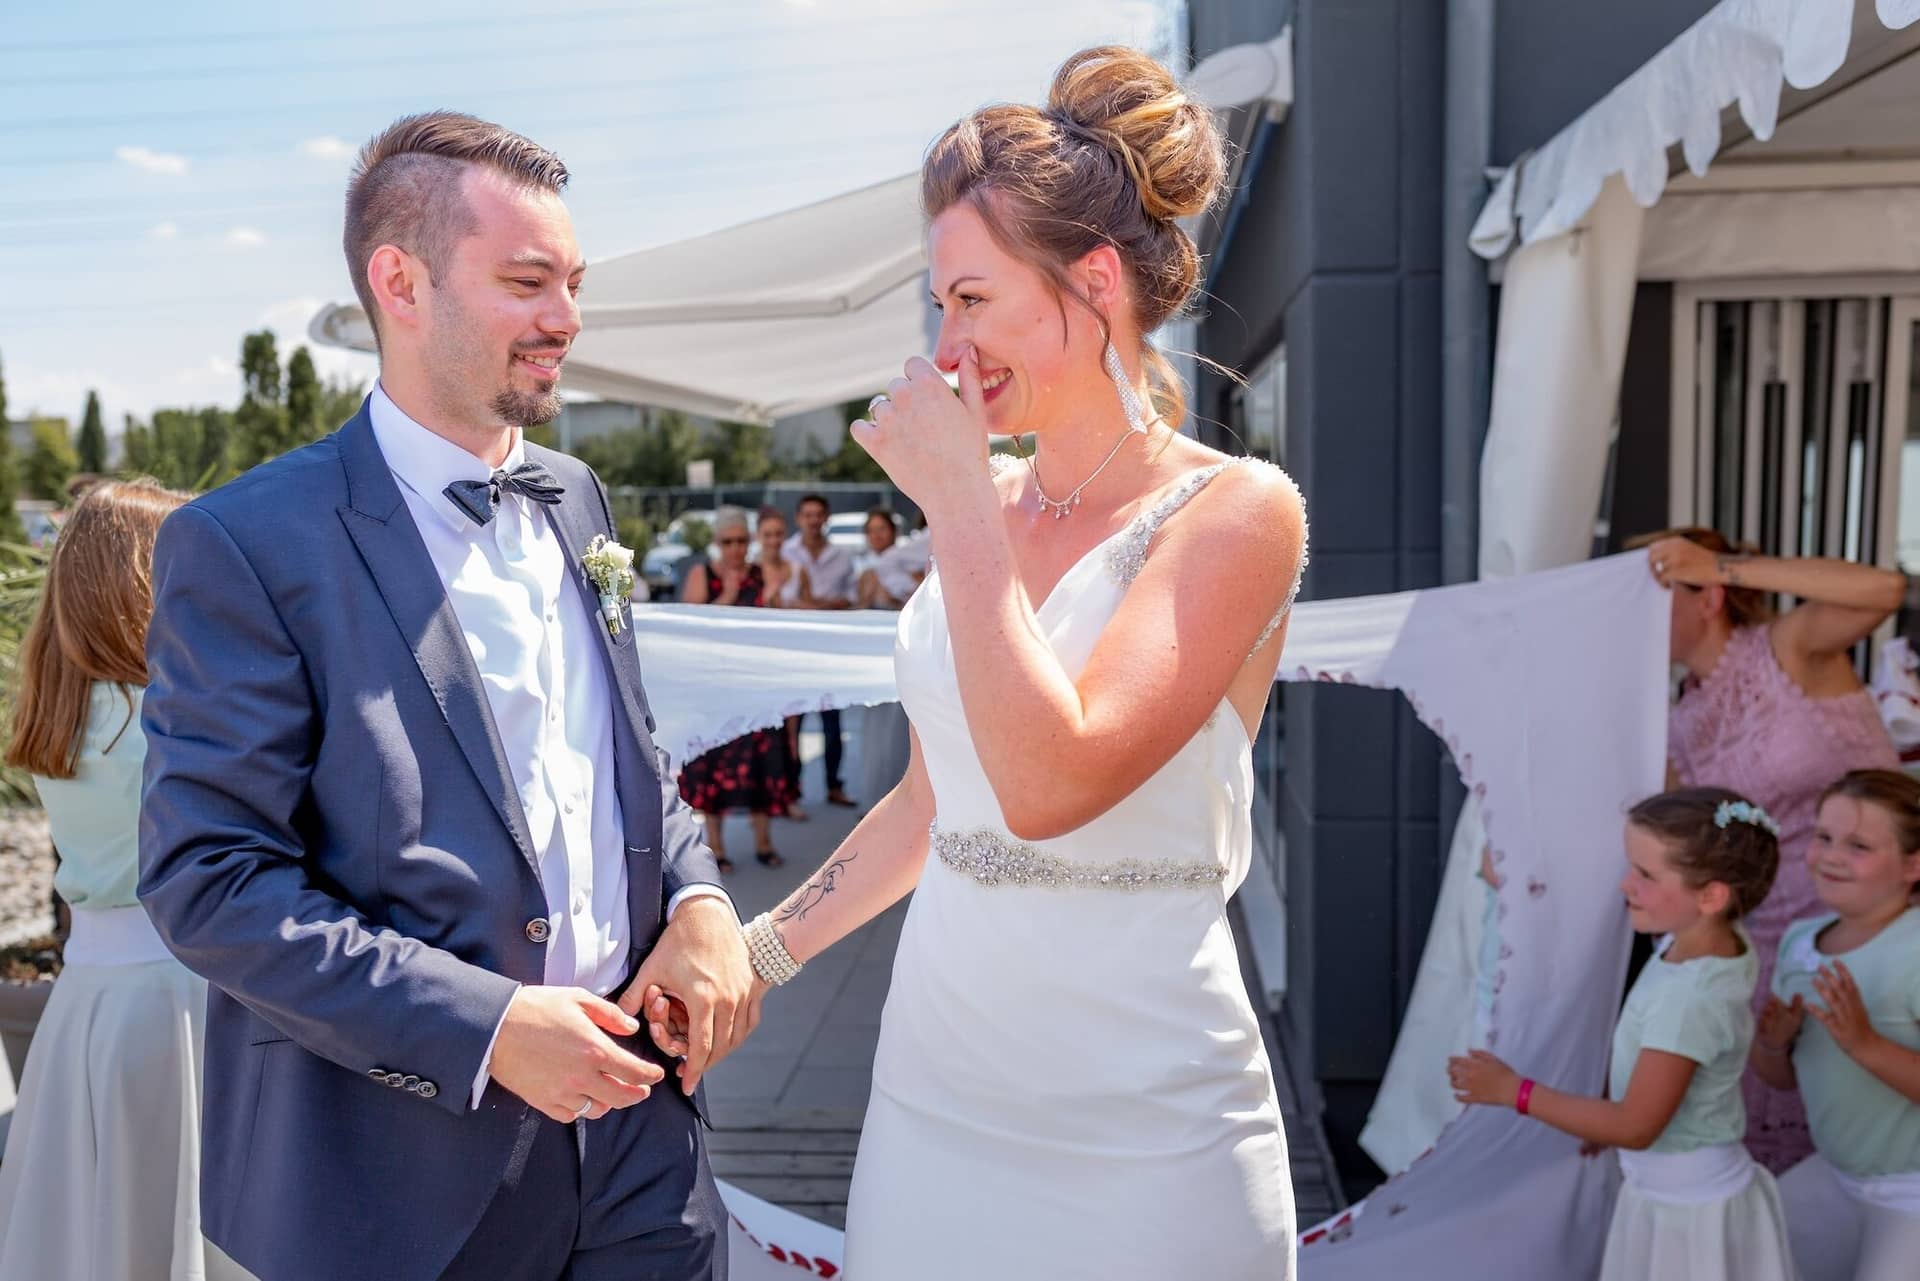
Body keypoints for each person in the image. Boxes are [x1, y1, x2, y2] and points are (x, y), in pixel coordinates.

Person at [651, 45, 1307, 1277]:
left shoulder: (1236, 513)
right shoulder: (985, 502)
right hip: (937, 1098)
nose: (947, 346)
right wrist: (765, 952)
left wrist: (959, 509)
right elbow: (936, 795)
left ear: (1095, 281)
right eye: (939, 307)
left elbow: (1050, 786)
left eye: (973, 300)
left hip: (1147, 1122)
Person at [135, 113, 751, 1281]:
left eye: (572, 282)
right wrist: (489, 1029)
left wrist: (702, 897)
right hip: (400, 1184)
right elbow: (209, 878)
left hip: (646, 1154)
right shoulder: (247, 541)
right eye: (528, 281)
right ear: (400, 283)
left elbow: (629, 760)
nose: (566, 318)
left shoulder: (578, 498)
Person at [0, 480, 254, 1281]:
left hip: (90, 999)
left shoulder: (61, 711)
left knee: (100, 1233)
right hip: (181, 994)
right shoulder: (167, 718)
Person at [1449, 787, 1795, 1281]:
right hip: (1671, 1189)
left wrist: (1514, 1091)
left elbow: (1636, 1126)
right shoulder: (1701, 942)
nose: (1625, 885)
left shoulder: (1690, 998)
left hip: (1687, 1212)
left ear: (1712, 896)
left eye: (1646, 876)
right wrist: (1605, 1107)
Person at [1643, 527, 1902, 1170]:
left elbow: (1885, 590)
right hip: (1776, 950)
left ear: (1706, 598)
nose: (1637, 619)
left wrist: (1727, 568)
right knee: (1791, 1137)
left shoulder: (1787, 648)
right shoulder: (1677, 721)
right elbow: (1676, 841)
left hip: (1885, 924)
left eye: (1654, 595)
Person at [1753, 769, 1920, 1280]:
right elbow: (1780, 1078)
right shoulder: (1801, 940)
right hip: (1835, 1174)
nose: (1830, 856)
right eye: (1823, 837)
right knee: (1752, 1258)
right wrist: (1774, 1045)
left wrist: (1864, 1044)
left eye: (1859, 846)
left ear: (1913, 864)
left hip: (1910, 1192)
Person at [678, 507, 796, 870]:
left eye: (741, 541)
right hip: (716, 687)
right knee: (715, 765)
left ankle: (763, 842)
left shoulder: (762, 575)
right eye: (728, 541)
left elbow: (776, 626)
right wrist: (727, 594)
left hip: (755, 687)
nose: (735, 548)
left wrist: (774, 596)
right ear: (717, 543)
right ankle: (716, 846)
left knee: (762, 763)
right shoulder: (703, 574)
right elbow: (689, 627)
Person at [780, 492, 856, 807]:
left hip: (829, 650)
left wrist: (816, 605)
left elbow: (850, 598)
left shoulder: (842, 556)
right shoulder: (786, 552)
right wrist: (822, 605)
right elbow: (784, 599)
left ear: (826, 519)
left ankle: (833, 785)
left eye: (818, 514)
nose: (813, 520)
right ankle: (791, 789)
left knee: (832, 722)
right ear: (799, 519)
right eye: (807, 514)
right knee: (793, 721)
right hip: (795, 647)